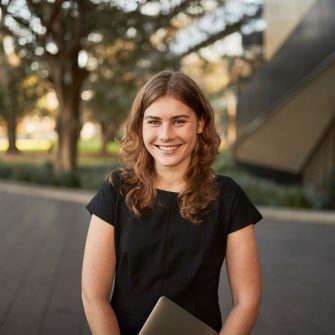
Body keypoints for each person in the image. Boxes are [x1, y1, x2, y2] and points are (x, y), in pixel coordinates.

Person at [82, 70, 263, 335]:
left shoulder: (228, 196)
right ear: (140, 125)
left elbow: (247, 301)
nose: (166, 135)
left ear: (200, 123)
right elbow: (93, 296)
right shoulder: (116, 191)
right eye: (154, 122)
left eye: (179, 121)